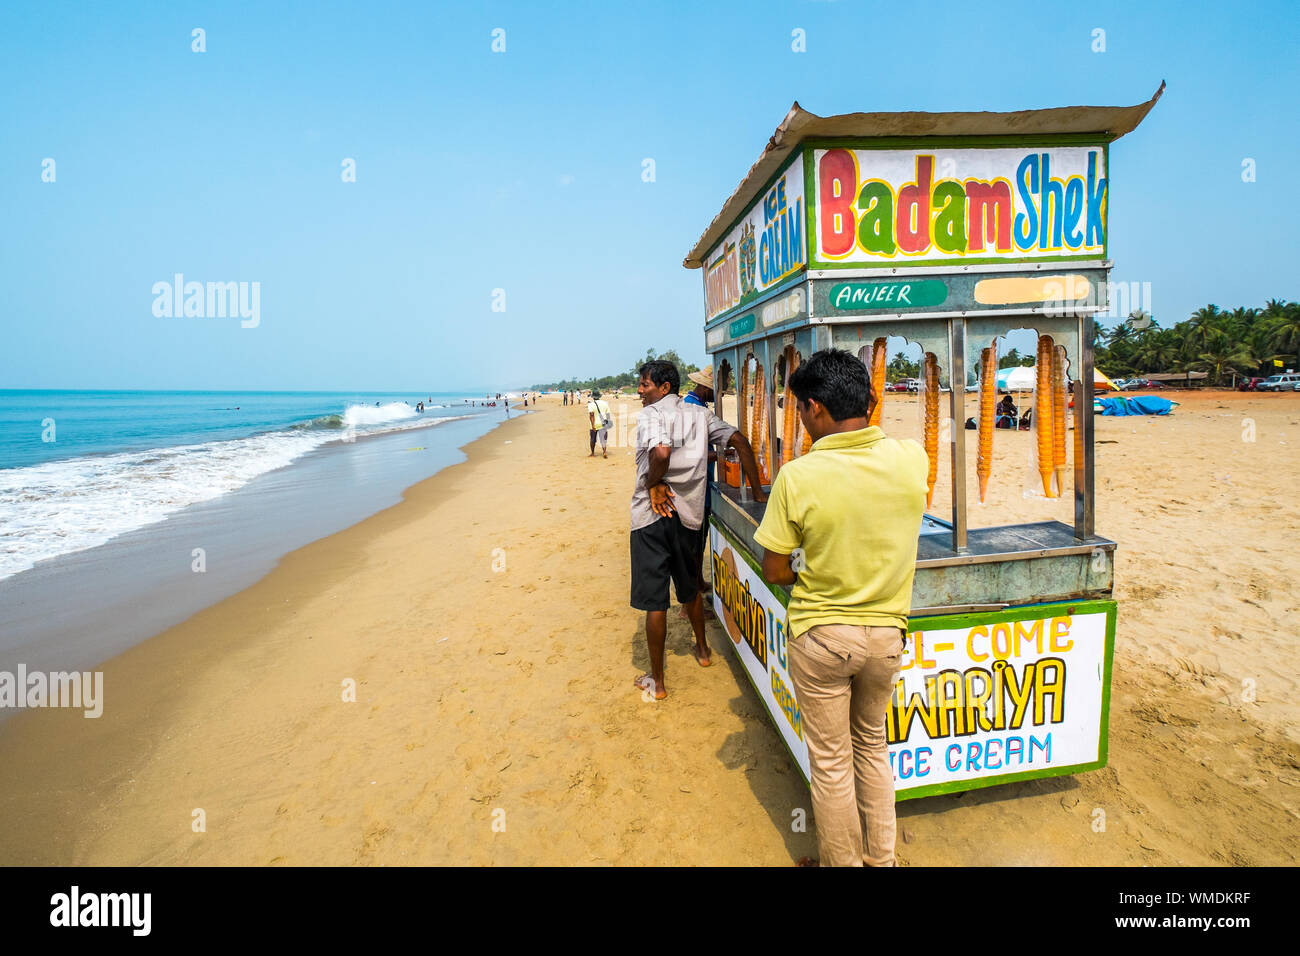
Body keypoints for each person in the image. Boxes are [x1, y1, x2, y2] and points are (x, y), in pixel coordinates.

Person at [753, 349, 927, 867]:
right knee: (873, 748)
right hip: (885, 636)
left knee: (831, 763)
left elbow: (776, 570)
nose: (803, 421)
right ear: (870, 402)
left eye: (803, 411)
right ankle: (882, 860)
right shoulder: (911, 457)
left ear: (816, 410)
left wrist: (818, 568)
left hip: (824, 636)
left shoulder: (797, 477)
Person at [630, 360, 765, 700]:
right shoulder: (701, 416)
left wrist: (655, 482)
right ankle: (703, 651)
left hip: (651, 516)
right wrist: (759, 494)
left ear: (663, 387)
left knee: (655, 602)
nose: (639, 391)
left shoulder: (652, 415)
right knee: (689, 587)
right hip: (689, 517)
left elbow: (660, 451)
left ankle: (657, 683)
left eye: (644, 384)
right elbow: (741, 442)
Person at [682, 366, 718, 614]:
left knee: (699, 541)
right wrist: (719, 455)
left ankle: (698, 583)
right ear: (705, 388)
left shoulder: (695, 404)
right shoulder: (694, 409)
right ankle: (689, 602)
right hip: (695, 489)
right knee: (693, 546)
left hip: (700, 486)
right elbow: (692, 454)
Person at [588, 389, 612, 458]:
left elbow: (591, 415)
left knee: (593, 439)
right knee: (603, 439)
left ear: (593, 397)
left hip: (595, 424)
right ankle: (604, 452)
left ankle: (592, 453)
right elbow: (608, 414)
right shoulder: (605, 403)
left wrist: (593, 425)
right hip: (603, 424)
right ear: (599, 396)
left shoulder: (591, 404)